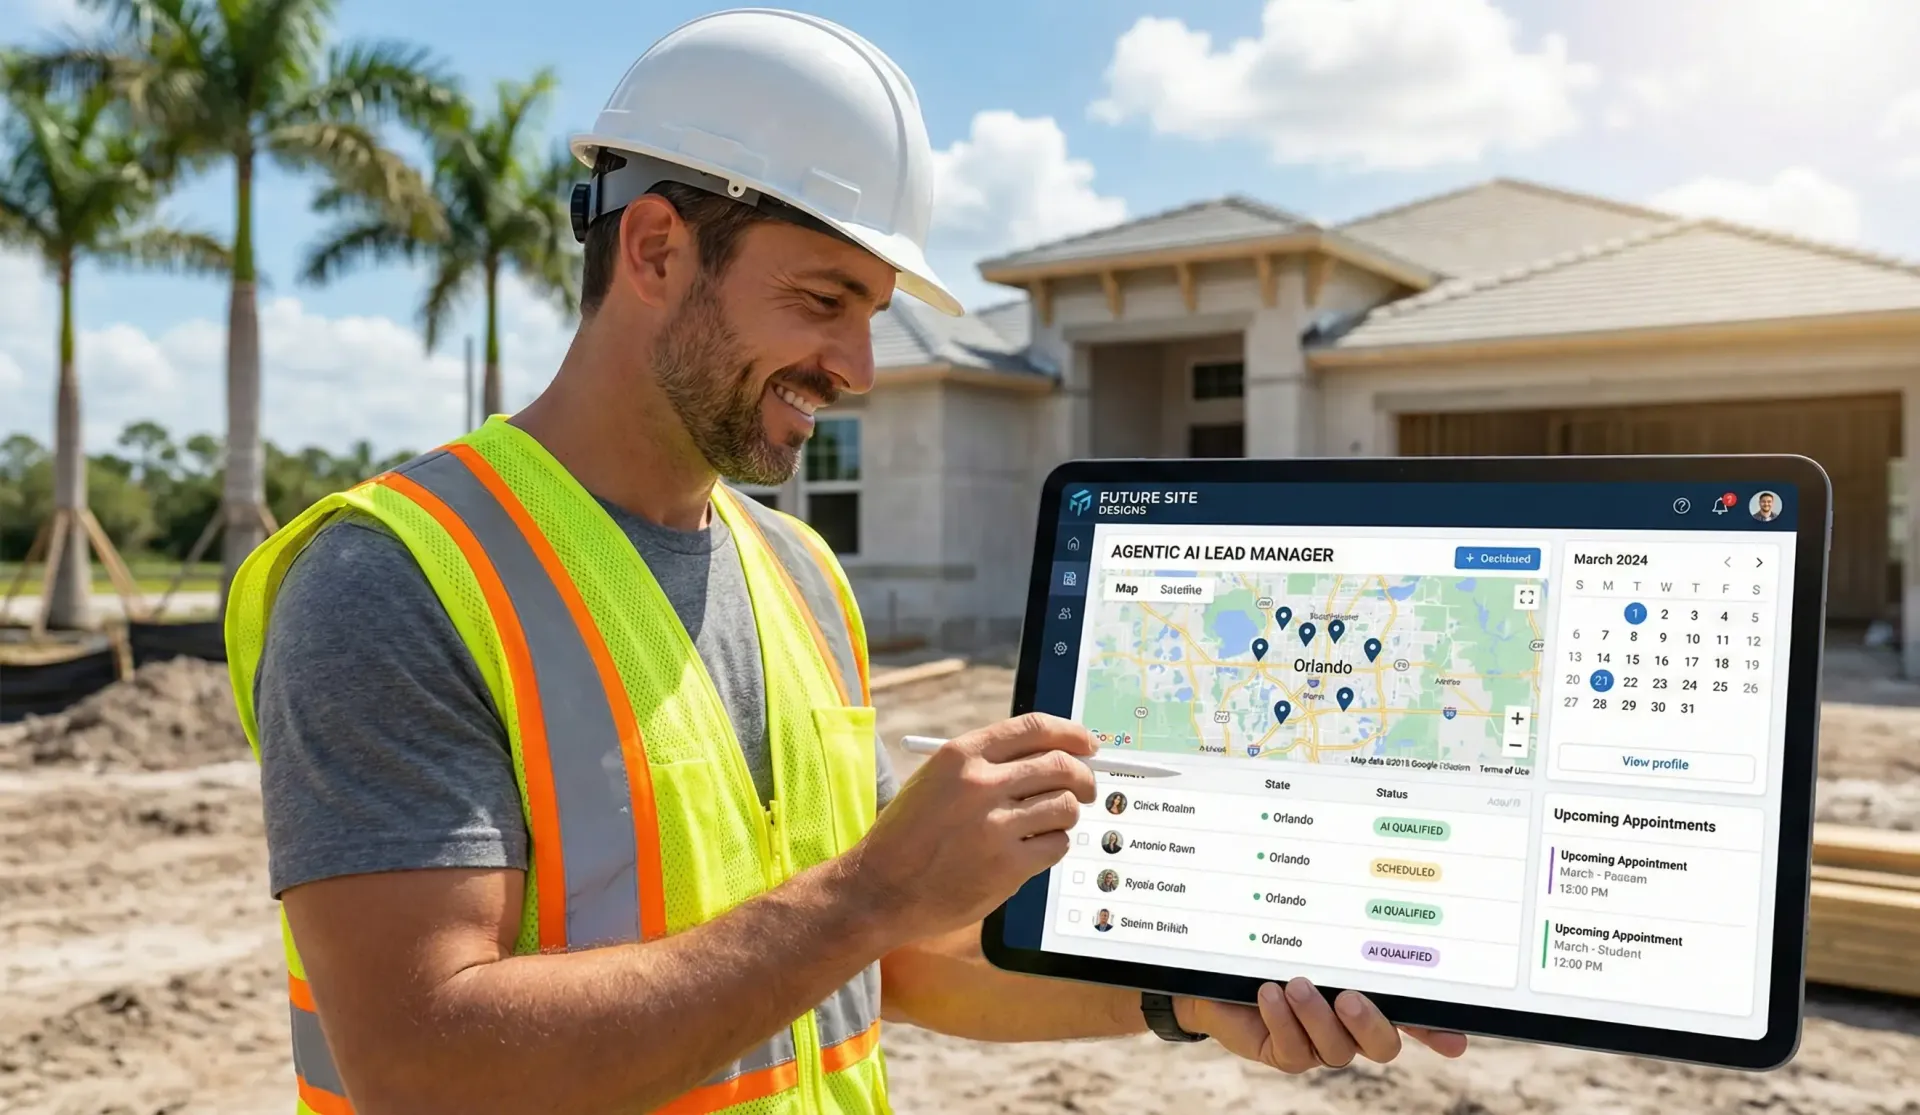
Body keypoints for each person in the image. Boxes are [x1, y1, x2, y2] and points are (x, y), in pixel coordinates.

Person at [225, 10, 1465, 1113]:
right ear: (654, 250)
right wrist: (870, 891)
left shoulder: (798, 573)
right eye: (824, 300)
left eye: (873, 310)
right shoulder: (393, 577)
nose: (858, 368)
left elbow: (885, 963)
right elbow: (421, 1067)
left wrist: (1184, 996)